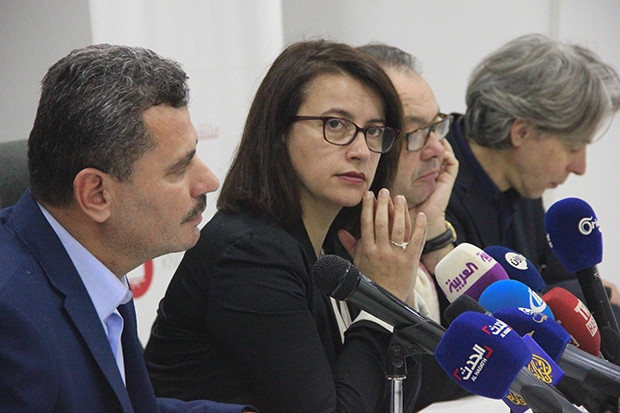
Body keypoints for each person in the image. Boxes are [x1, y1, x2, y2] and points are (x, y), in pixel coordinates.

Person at [144, 39, 427, 413]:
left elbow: (399, 398)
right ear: (278, 132)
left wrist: (397, 297)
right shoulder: (251, 254)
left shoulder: (337, 248)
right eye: (335, 124)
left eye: (373, 131)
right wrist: (381, 306)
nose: (360, 151)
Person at [0, 44, 255, 413]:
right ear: (96, 194)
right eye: (178, 168)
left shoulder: (94, 261)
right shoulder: (12, 323)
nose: (209, 181)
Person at [445, 34, 620, 316]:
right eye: (573, 147)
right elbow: (502, 313)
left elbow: (569, 286)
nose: (580, 167)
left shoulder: (520, 180)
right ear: (521, 132)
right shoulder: (434, 185)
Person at [356, 43, 472, 411]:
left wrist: (436, 233)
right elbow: (431, 377)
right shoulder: (342, 249)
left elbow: (487, 344)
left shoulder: (417, 224)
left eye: (437, 126)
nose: (438, 149)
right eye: (416, 133)